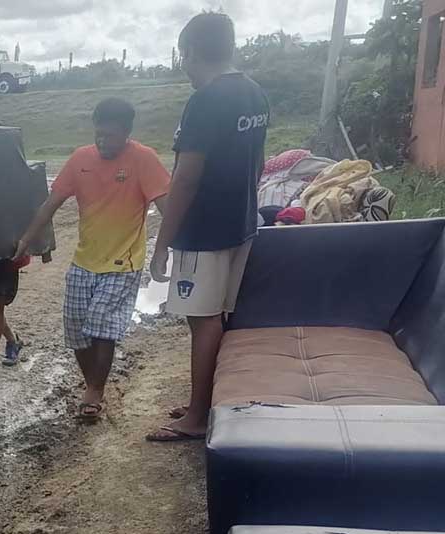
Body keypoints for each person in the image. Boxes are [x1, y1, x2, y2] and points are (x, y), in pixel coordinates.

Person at [146, 12, 269, 442]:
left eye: (183, 56)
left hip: (204, 232)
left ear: (192, 52)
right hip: (241, 225)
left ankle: (198, 416)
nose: (184, 66)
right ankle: (206, 401)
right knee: (216, 318)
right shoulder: (255, 94)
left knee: (203, 321)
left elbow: (185, 177)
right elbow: (258, 165)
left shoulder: (205, 101)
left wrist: (162, 244)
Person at [15, 98, 170, 421]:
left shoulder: (144, 160)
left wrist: (162, 252)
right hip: (84, 260)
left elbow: (168, 211)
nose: (103, 142)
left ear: (127, 133)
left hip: (123, 262)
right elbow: (50, 204)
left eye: (111, 136)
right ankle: (92, 384)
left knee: (101, 324)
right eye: (99, 134)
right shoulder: (80, 159)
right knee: (75, 329)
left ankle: (95, 392)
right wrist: (27, 239)